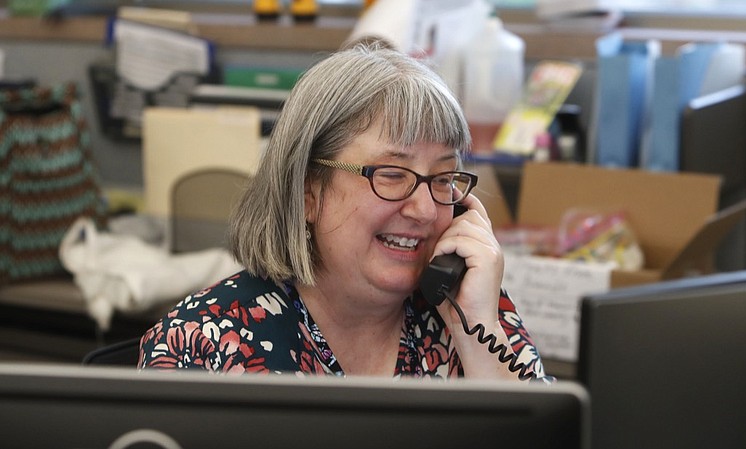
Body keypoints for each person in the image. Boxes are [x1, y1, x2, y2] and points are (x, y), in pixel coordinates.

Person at [138, 37, 553, 382]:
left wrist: (476, 330)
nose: (426, 210)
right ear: (307, 191)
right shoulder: (202, 341)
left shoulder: (471, 311)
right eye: (391, 174)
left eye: (443, 179)